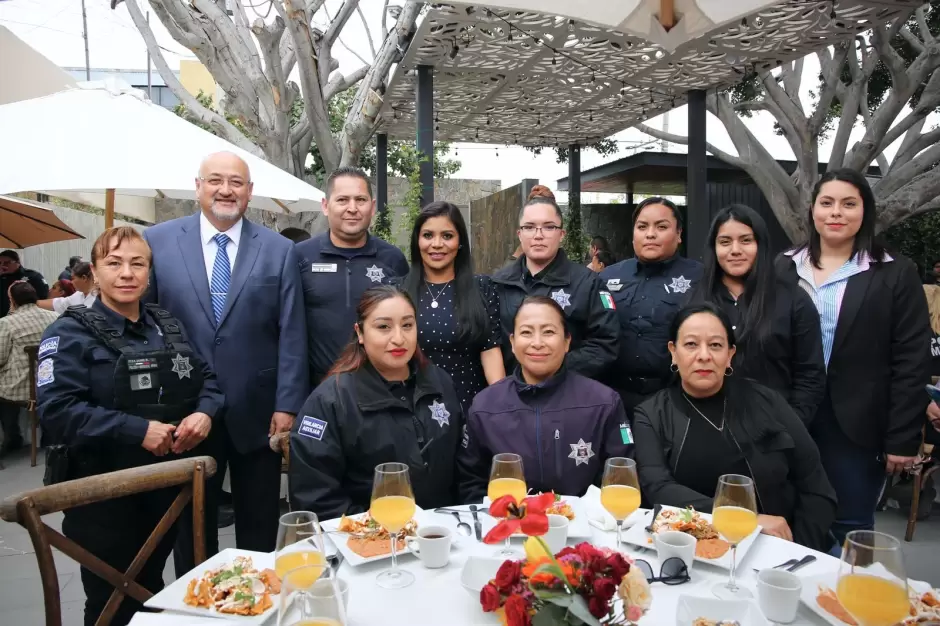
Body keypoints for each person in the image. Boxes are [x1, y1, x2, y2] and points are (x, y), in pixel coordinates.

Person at [36, 227, 223, 626]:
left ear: (150, 273)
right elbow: (56, 411)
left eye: (137, 263)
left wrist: (204, 413)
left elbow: (206, 378)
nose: (127, 273)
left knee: (151, 587)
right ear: (95, 271)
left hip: (164, 489)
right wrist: (136, 430)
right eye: (114, 263)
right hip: (102, 494)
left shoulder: (166, 325)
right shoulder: (68, 333)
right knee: (111, 599)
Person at [142, 151, 307, 571]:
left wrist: (287, 405)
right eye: (215, 180)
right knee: (193, 527)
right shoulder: (158, 243)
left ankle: (257, 604)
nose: (226, 190)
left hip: (259, 413)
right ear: (197, 186)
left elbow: (292, 331)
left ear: (250, 193)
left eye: (237, 182)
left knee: (260, 525)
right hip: (186, 413)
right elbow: (144, 326)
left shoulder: (279, 249)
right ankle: (198, 608)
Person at [775, 168, 931, 545]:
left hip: (857, 424)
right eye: (827, 203)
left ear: (865, 211)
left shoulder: (894, 272)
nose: (836, 213)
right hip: (789, 415)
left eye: (849, 204)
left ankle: (846, 601)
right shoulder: (782, 266)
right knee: (785, 520)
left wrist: (902, 438)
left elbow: (911, 359)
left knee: (851, 529)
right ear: (812, 210)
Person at [633, 303, 837, 553]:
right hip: (696, 547)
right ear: (673, 352)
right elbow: (658, 488)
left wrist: (800, 550)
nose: (704, 355)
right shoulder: (652, 414)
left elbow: (814, 483)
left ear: (730, 354)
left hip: (784, 543)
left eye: (716, 345)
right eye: (691, 344)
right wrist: (744, 522)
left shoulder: (767, 401)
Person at [289, 285, 462, 518]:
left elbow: (463, 467)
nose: (399, 338)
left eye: (408, 325)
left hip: (443, 532)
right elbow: (314, 494)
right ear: (359, 333)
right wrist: (370, 526)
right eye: (383, 327)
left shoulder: (440, 382)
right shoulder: (331, 401)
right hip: (369, 540)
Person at [457, 296, 631, 501]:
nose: (537, 343)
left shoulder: (604, 402)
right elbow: (471, 483)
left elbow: (621, 477)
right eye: (526, 332)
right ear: (512, 343)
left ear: (567, 342)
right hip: (508, 523)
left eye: (548, 332)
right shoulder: (485, 406)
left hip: (585, 526)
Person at [690, 205, 825, 423]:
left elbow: (810, 376)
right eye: (725, 242)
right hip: (705, 426)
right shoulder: (694, 300)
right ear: (713, 248)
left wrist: (791, 427)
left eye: (746, 240)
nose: (735, 250)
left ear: (760, 245)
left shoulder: (793, 300)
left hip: (774, 430)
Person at [296, 167, 409, 385]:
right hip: (316, 390)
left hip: (380, 388)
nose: (352, 208)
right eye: (342, 200)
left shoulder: (393, 259)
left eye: (360, 199)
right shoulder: (300, 258)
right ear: (325, 206)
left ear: (372, 206)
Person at [492, 194, 619, 379]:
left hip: (568, 396)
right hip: (511, 398)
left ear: (561, 234)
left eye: (549, 227)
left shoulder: (588, 283)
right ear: (519, 234)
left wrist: (549, 369)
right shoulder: (498, 283)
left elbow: (605, 344)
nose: (538, 235)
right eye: (529, 227)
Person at [599, 197, 703, 414]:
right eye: (642, 226)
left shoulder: (700, 277)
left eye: (662, 226)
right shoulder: (608, 277)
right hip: (615, 398)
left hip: (676, 400)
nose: (650, 234)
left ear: (679, 234)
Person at [402, 201, 505, 409]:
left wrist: (501, 406)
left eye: (447, 236)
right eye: (428, 235)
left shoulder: (482, 288)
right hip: (411, 407)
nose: (437, 244)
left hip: (468, 405)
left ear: (460, 242)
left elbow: (490, 351)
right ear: (417, 240)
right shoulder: (398, 291)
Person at [0, 282, 57, 456]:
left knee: (3, 392)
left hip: (22, 388)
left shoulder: (6, 323)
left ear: (12, 301)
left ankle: (12, 437)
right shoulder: (54, 317)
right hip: (52, 383)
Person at [0, 250, 49, 316]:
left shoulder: (33, 276)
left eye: (6, 263)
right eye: (0, 263)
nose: (2, 265)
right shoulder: (1, 276)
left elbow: (43, 296)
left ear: (17, 262)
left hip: (25, 316)